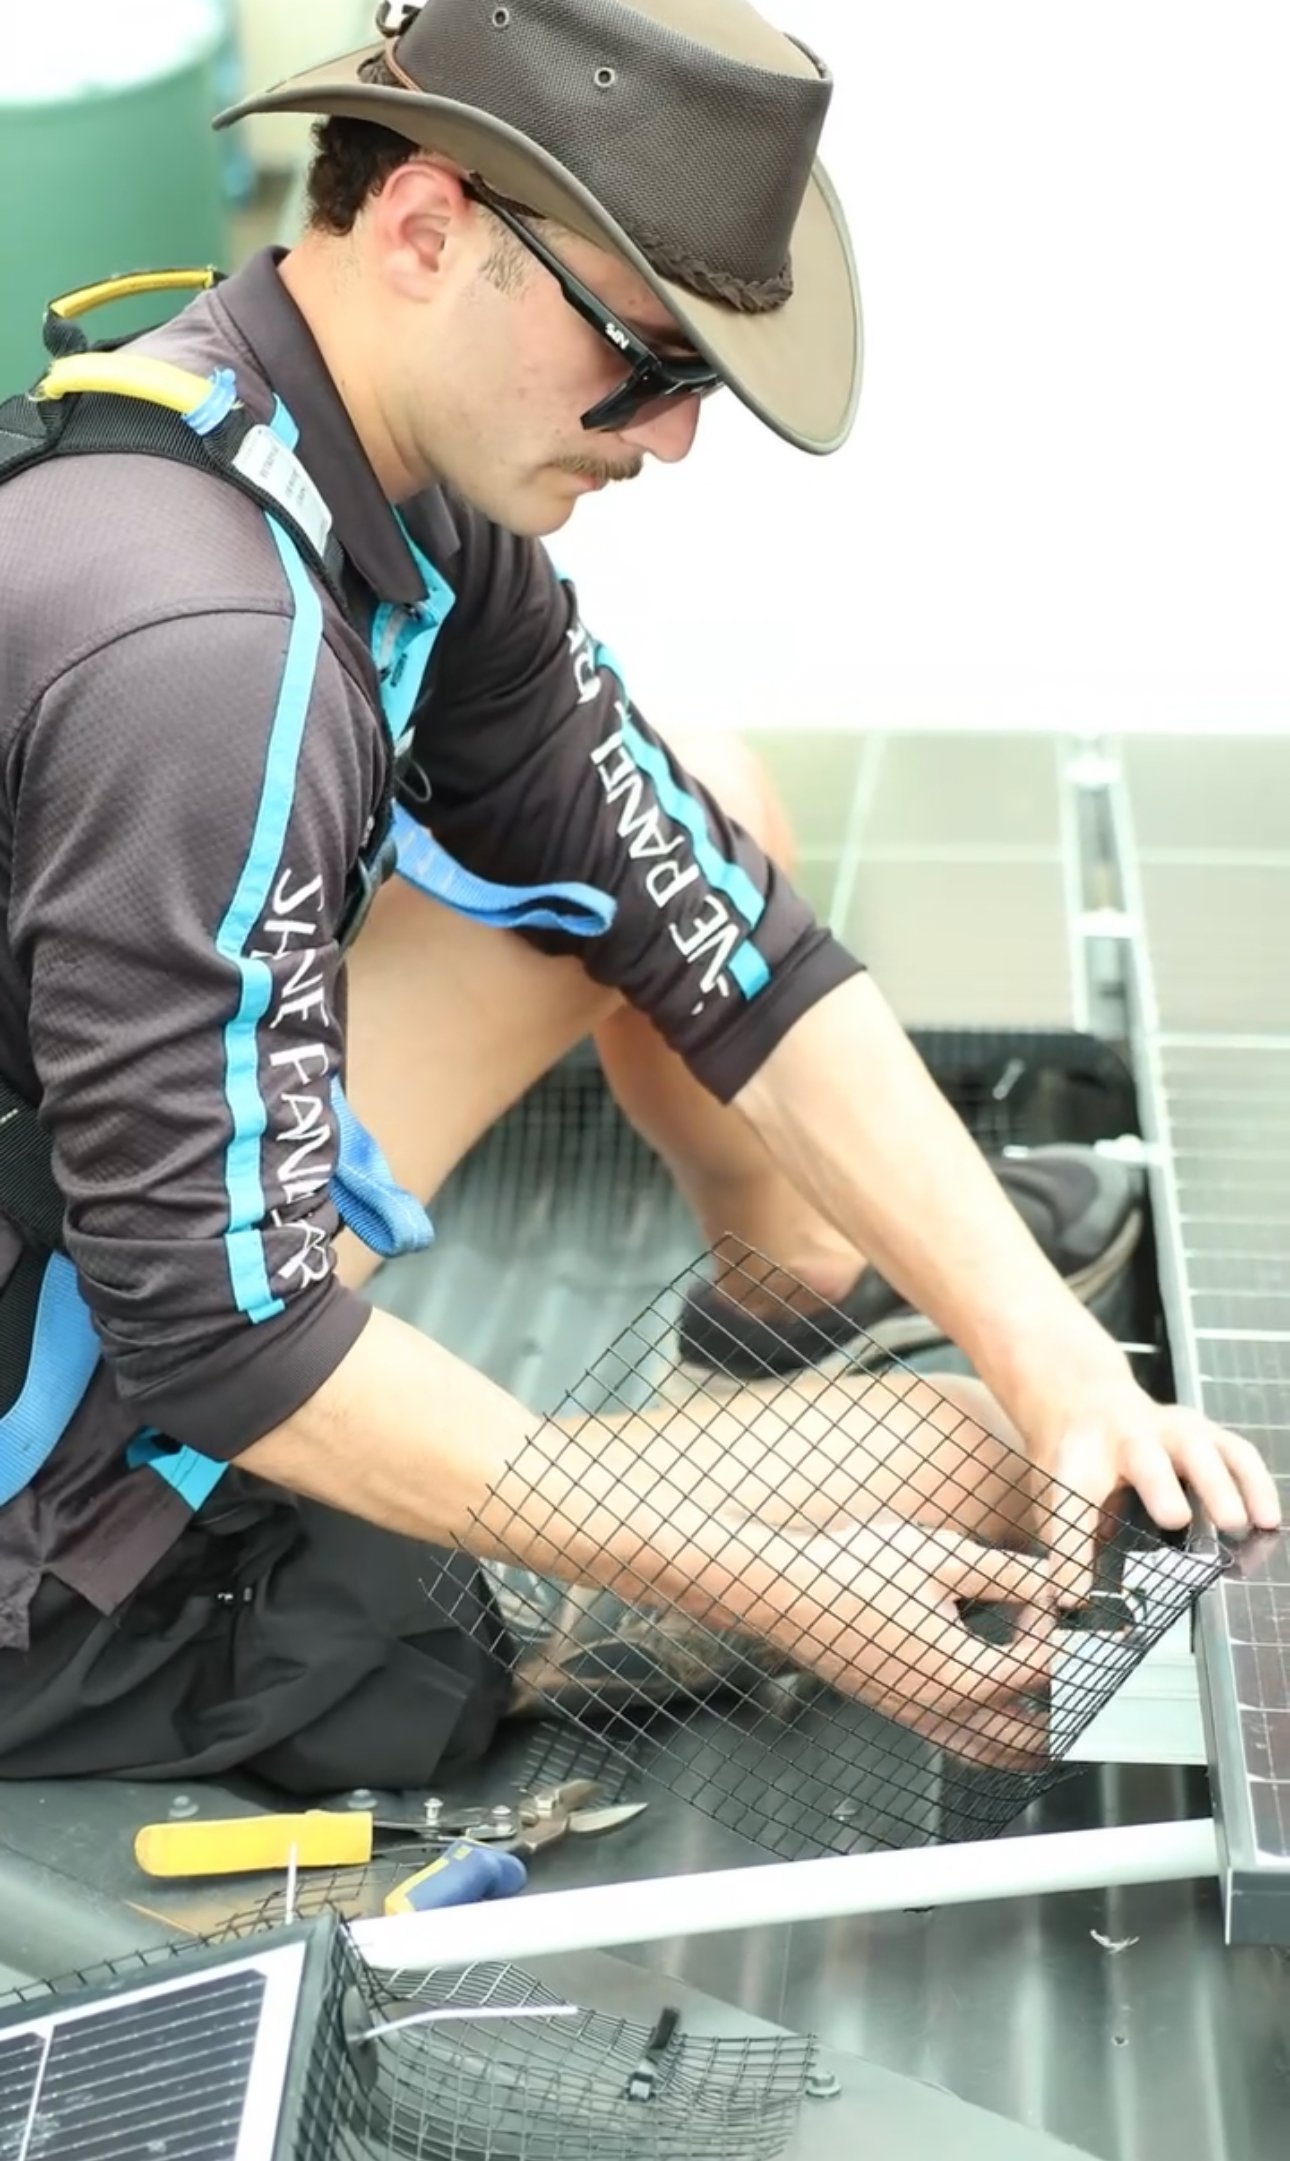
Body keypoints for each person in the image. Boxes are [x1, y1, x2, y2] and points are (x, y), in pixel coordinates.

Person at [0, 0, 1276, 1797]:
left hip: (89, 1248)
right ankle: (557, 1549)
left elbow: (721, 934)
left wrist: (1064, 1363)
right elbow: (222, 1339)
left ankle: (796, 1293)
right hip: (57, 1538)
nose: (670, 440)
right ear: (427, 228)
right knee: (969, 1472)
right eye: (645, 356)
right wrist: (757, 1568)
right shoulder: (205, 653)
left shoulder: (331, 467)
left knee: (702, 805)